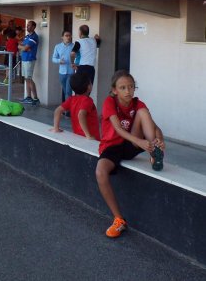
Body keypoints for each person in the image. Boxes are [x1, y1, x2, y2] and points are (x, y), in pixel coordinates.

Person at [95, 70, 165, 238]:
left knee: (143, 113)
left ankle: (155, 152)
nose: (128, 91)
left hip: (132, 143)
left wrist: (160, 141)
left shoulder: (138, 104)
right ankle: (119, 219)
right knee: (100, 172)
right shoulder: (109, 102)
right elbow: (118, 129)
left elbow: (156, 128)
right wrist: (139, 141)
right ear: (114, 90)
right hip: (112, 146)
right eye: (123, 87)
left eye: (131, 87)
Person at [50, 72, 99, 140]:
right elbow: (81, 115)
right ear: (89, 87)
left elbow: (57, 111)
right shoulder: (87, 100)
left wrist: (56, 128)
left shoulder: (71, 99)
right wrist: (88, 135)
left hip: (77, 137)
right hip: (91, 137)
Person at [19, 21, 39, 105]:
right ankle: (28, 97)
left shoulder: (34, 37)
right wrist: (23, 47)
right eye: (27, 25)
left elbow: (24, 48)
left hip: (29, 59)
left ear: (34, 27)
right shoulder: (27, 36)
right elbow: (20, 46)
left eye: (29, 26)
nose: (27, 27)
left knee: (29, 78)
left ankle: (35, 99)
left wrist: (24, 48)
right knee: (26, 79)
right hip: (24, 59)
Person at [51, 30, 75, 102]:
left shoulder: (74, 46)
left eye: (69, 35)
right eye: (66, 35)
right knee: (65, 91)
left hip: (71, 72)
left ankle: (67, 111)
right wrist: (59, 61)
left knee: (68, 91)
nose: (68, 37)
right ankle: (68, 107)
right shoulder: (58, 46)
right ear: (62, 37)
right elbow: (53, 58)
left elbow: (78, 57)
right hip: (62, 72)